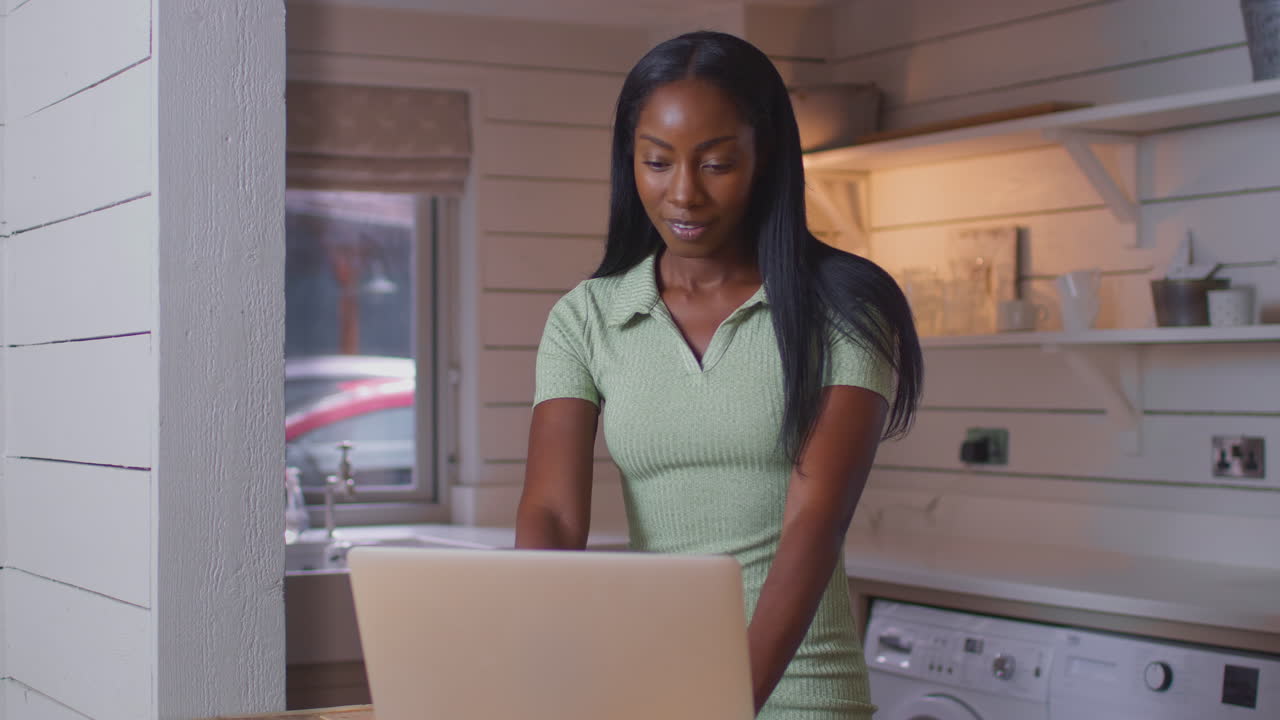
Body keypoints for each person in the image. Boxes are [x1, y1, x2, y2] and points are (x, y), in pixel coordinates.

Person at [515, 30, 923, 719]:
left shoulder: (845, 310)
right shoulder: (585, 318)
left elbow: (814, 524)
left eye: (716, 163)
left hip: (801, 692)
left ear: (764, 159)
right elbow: (552, 514)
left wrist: (724, 700)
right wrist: (541, 654)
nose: (682, 193)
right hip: (642, 685)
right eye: (656, 161)